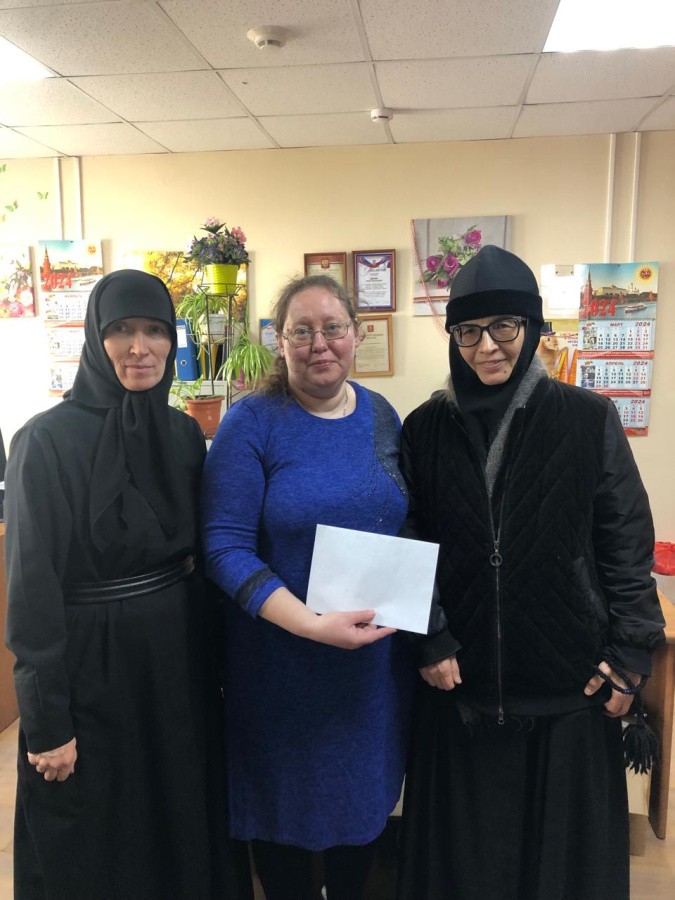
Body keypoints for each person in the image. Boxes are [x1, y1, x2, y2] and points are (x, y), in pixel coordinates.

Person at [396, 246, 665, 900]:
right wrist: (429, 635)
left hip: (566, 689)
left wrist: (631, 655)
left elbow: (625, 541)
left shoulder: (586, 418)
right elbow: (408, 541)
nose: (486, 346)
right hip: (461, 688)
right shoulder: (424, 429)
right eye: (468, 331)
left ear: (532, 328)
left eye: (503, 326)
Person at [4, 270, 252, 900]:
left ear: (173, 341)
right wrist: (46, 721)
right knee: (96, 825)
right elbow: (31, 589)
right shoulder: (44, 440)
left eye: (154, 330)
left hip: (176, 663)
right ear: (96, 338)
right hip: (90, 665)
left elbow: (204, 557)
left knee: (178, 808)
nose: (140, 347)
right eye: (121, 330)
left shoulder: (182, 434)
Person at [202, 274, 414, 900]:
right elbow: (224, 547)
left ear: (356, 334)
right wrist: (311, 625)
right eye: (302, 331)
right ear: (280, 341)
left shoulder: (381, 414)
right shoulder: (251, 422)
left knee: (361, 817)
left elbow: (402, 519)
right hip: (281, 669)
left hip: (370, 673)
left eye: (333, 328)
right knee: (283, 824)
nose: (320, 344)